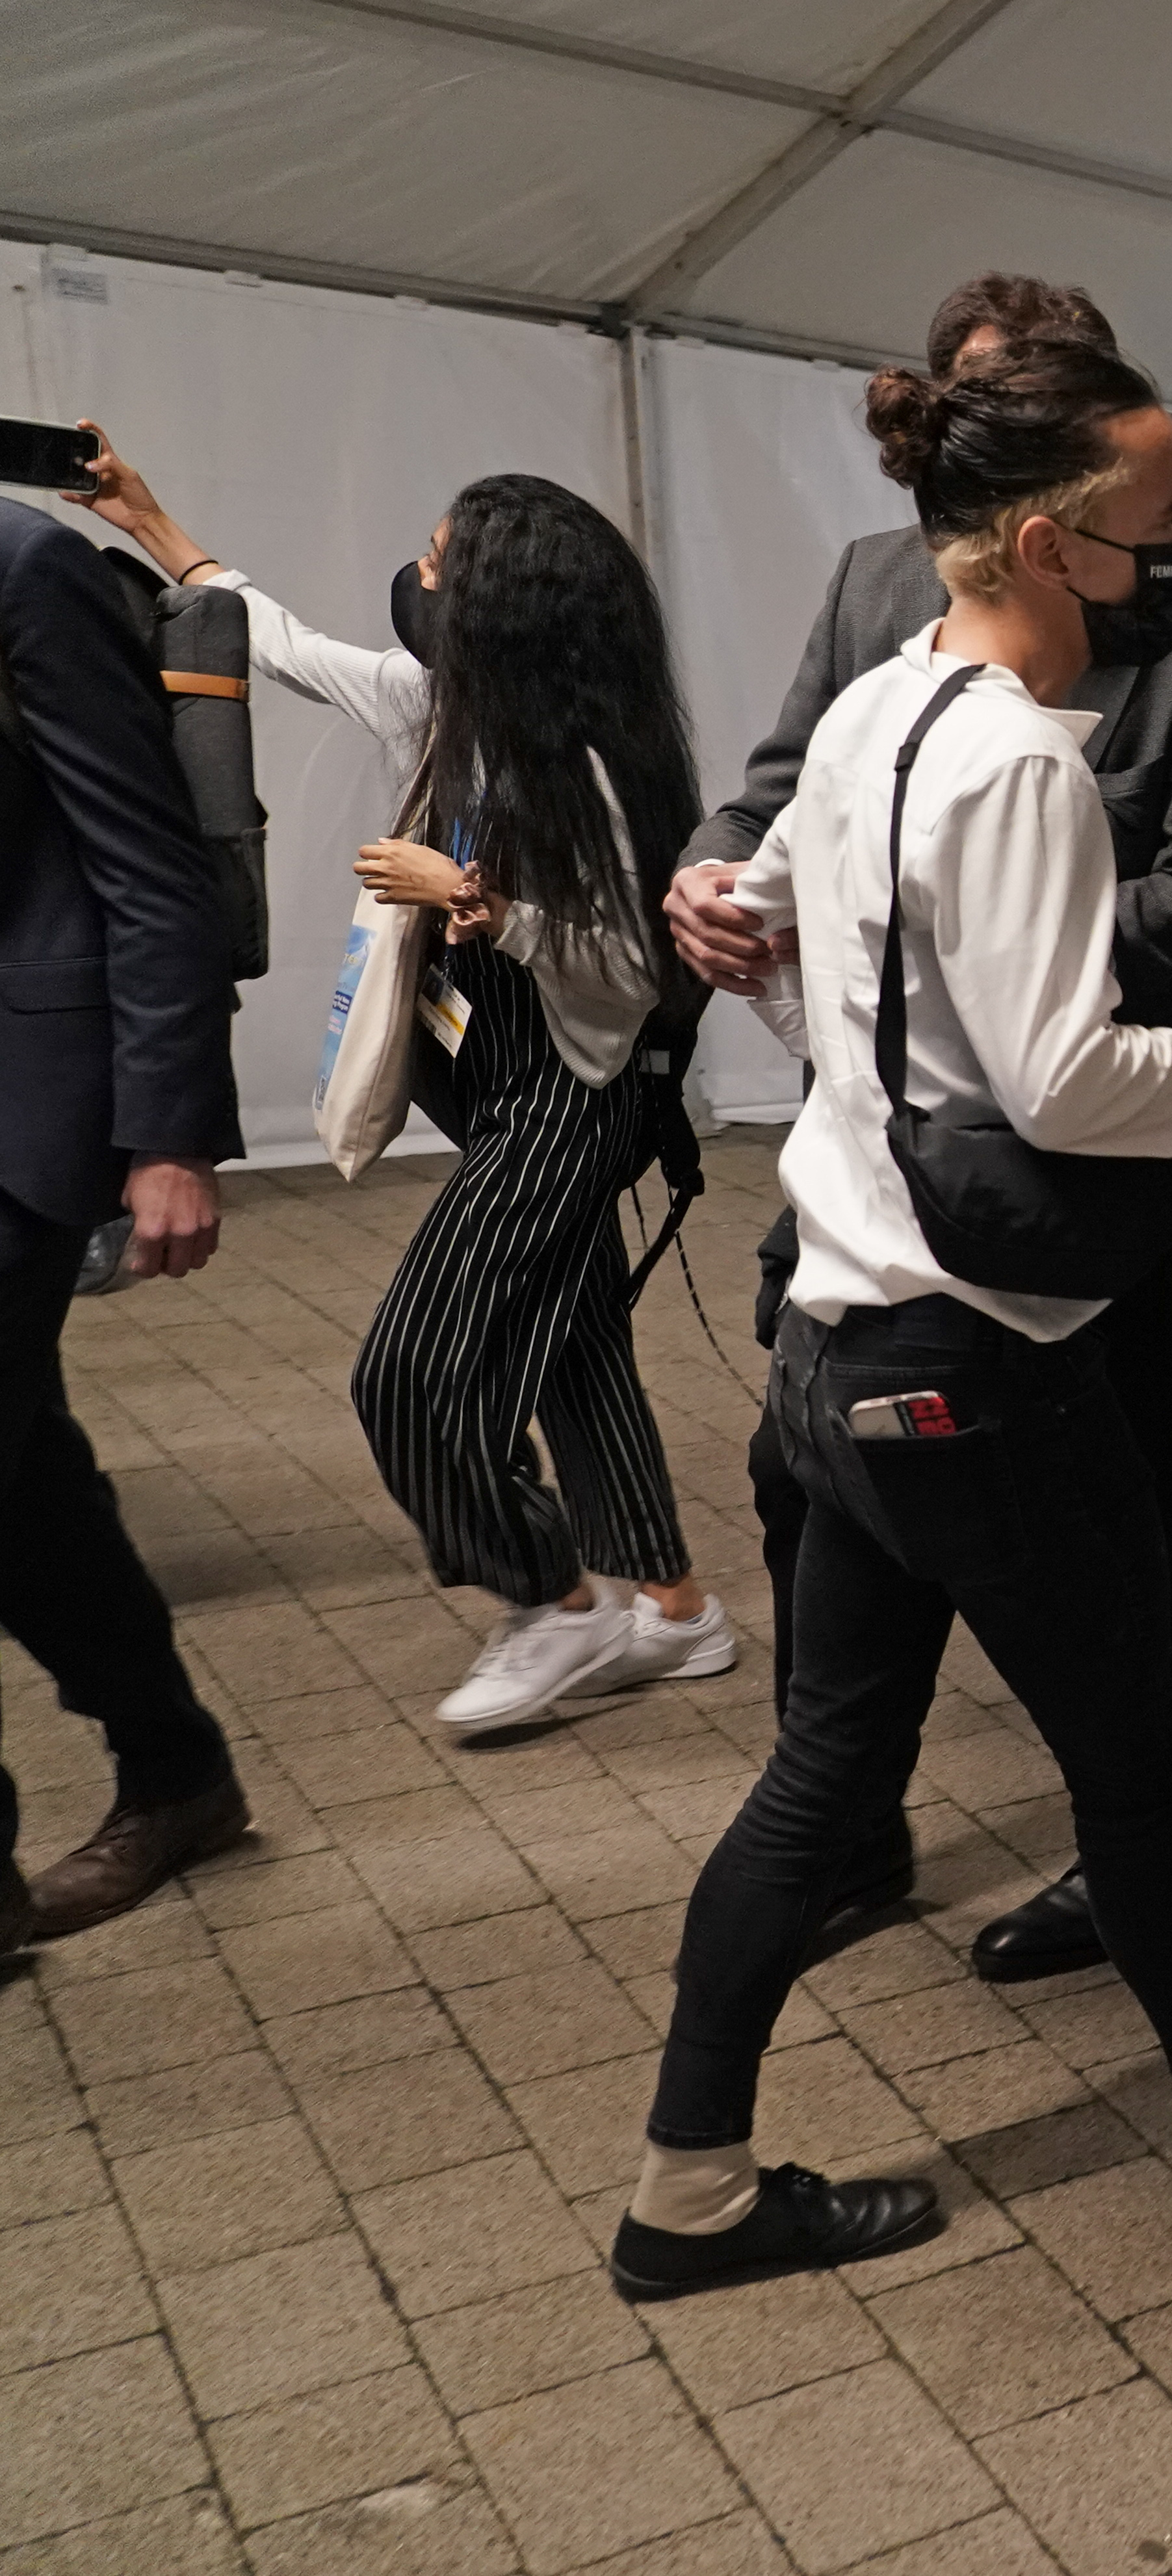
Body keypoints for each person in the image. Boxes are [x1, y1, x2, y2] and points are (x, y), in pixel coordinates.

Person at [611, 339, 1172, 2300]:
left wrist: (897, 1092)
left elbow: (813, 1011)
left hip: (834, 1336)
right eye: (1158, 532)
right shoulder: (1021, 764)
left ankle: (690, 2188)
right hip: (978, 1364)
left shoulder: (885, 713)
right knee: (1135, 1764)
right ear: (1054, 547)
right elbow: (1067, 1084)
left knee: (823, 1769)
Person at [669, 271, 1172, 1988]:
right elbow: (786, 795)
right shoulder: (883, 607)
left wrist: (1013, 931)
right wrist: (720, 880)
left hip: (1062, 1167)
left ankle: (1140, 1834)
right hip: (885, 1151)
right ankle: (869, 1821)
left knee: (1137, 1495)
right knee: (824, 1487)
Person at [76, 442, 733, 1732]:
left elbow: (623, 971)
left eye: (438, 561)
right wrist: (149, 517)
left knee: (410, 1376)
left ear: (500, 602)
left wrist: (482, 902)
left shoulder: (583, 770)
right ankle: (673, 1604)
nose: (414, 576)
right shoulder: (440, 706)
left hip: (566, 1097)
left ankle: (552, 1597)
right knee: (578, 1349)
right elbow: (281, 639)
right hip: (481, 1083)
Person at [0, 493, 244, 1955]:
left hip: (24, 1107)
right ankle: (176, 1769)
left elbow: (151, 864)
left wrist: (167, 1137)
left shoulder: (29, 568)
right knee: (21, 1478)